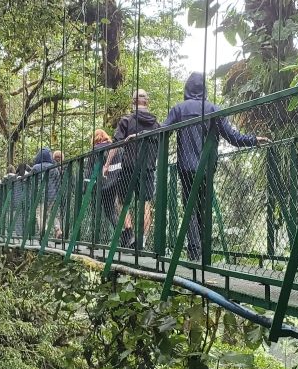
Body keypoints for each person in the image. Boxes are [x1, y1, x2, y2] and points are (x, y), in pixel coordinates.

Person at [165, 72, 269, 262]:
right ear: (204, 88)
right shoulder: (213, 108)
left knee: (190, 206)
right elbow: (233, 137)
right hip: (206, 168)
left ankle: (194, 252)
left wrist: (138, 138)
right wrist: (253, 139)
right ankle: (205, 252)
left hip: (186, 167)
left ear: (187, 88)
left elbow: (161, 133)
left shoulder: (178, 109)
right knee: (204, 207)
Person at [105, 89, 161, 248]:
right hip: (149, 167)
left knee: (122, 201)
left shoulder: (126, 121)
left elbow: (115, 143)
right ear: (147, 102)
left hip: (129, 166)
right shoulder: (156, 124)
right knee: (146, 204)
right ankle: (141, 240)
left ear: (133, 102)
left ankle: (128, 231)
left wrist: (107, 164)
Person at [31, 147, 62, 237]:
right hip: (52, 195)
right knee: (52, 213)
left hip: (40, 195)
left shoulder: (36, 168)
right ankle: (57, 229)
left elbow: (31, 181)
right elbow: (58, 181)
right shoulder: (54, 167)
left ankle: (44, 231)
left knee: (39, 214)